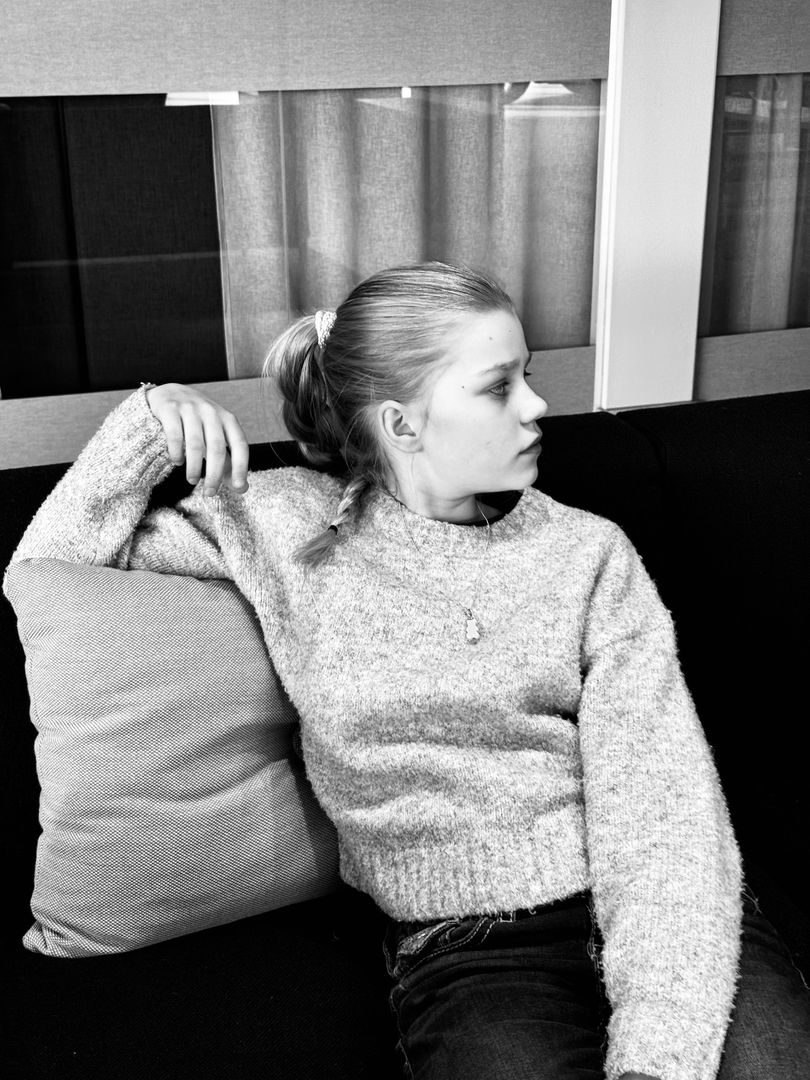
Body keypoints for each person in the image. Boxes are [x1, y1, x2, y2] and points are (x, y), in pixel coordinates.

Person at [8, 262, 810, 1079]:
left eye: (527, 376)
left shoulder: (589, 553)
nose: (537, 406)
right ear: (402, 423)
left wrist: (659, 1054)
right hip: (470, 947)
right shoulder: (281, 525)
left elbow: (661, 801)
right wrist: (149, 422)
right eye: (499, 386)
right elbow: (49, 571)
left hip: (656, 897)